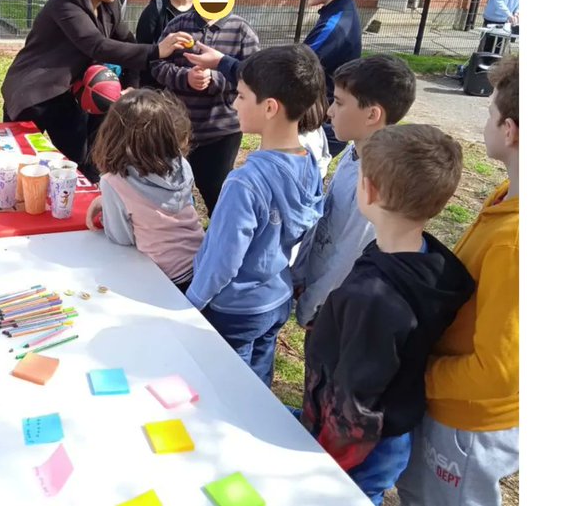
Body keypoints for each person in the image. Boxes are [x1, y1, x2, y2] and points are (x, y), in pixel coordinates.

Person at [299, 124, 473, 505]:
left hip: (357, 447)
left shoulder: (373, 298)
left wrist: (325, 459)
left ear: (370, 190)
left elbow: (354, 407)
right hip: (391, 427)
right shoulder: (430, 259)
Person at [396, 57, 520, 506]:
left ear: (510, 131)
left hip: (468, 421)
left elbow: (497, 373)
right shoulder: (507, 196)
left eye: (489, 114)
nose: (485, 122)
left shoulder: (515, 243)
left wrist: (418, 373)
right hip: (452, 402)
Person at [0, 0, 192, 178]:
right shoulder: (65, 4)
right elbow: (96, 45)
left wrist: (131, 85)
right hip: (33, 92)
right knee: (18, 164)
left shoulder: (107, 6)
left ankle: (82, 214)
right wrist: (158, 50)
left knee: (82, 164)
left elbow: (129, 43)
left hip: (67, 95)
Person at [184, 45, 326, 387]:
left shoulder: (243, 183)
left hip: (234, 310)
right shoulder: (308, 160)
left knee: (227, 391)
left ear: (270, 107)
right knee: (257, 388)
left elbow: (222, 260)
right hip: (275, 299)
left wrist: (190, 307)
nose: (234, 103)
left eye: (242, 96)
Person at [185, 0, 364, 156]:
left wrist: (221, 62)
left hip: (316, 128)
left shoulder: (335, 26)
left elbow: (281, 72)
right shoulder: (340, 15)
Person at [291, 54, 417, 327]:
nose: (328, 111)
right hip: (320, 292)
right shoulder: (353, 151)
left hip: (336, 309)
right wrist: (301, 274)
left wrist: (312, 305)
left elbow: (349, 255)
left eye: (338, 102)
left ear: (372, 114)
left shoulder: (375, 181)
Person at [150, 0, 261, 215]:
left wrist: (217, 78)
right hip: (180, 130)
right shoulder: (178, 26)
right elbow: (157, 65)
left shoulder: (242, 31)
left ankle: (219, 241)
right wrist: (185, 78)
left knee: (216, 192)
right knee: (175, 193)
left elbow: (254, 77)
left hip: (222, 132)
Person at [84, 89, 204, 291]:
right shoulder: (182, 164)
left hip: (162, 277)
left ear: (112, 134)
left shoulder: (115, 182)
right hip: (200, 265)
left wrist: (107, 211)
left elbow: (121, 238)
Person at [133, 0, 200, 89]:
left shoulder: (203, 10)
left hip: (192, 91)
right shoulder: (155, 9)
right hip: (158, 90)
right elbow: (142, 51)